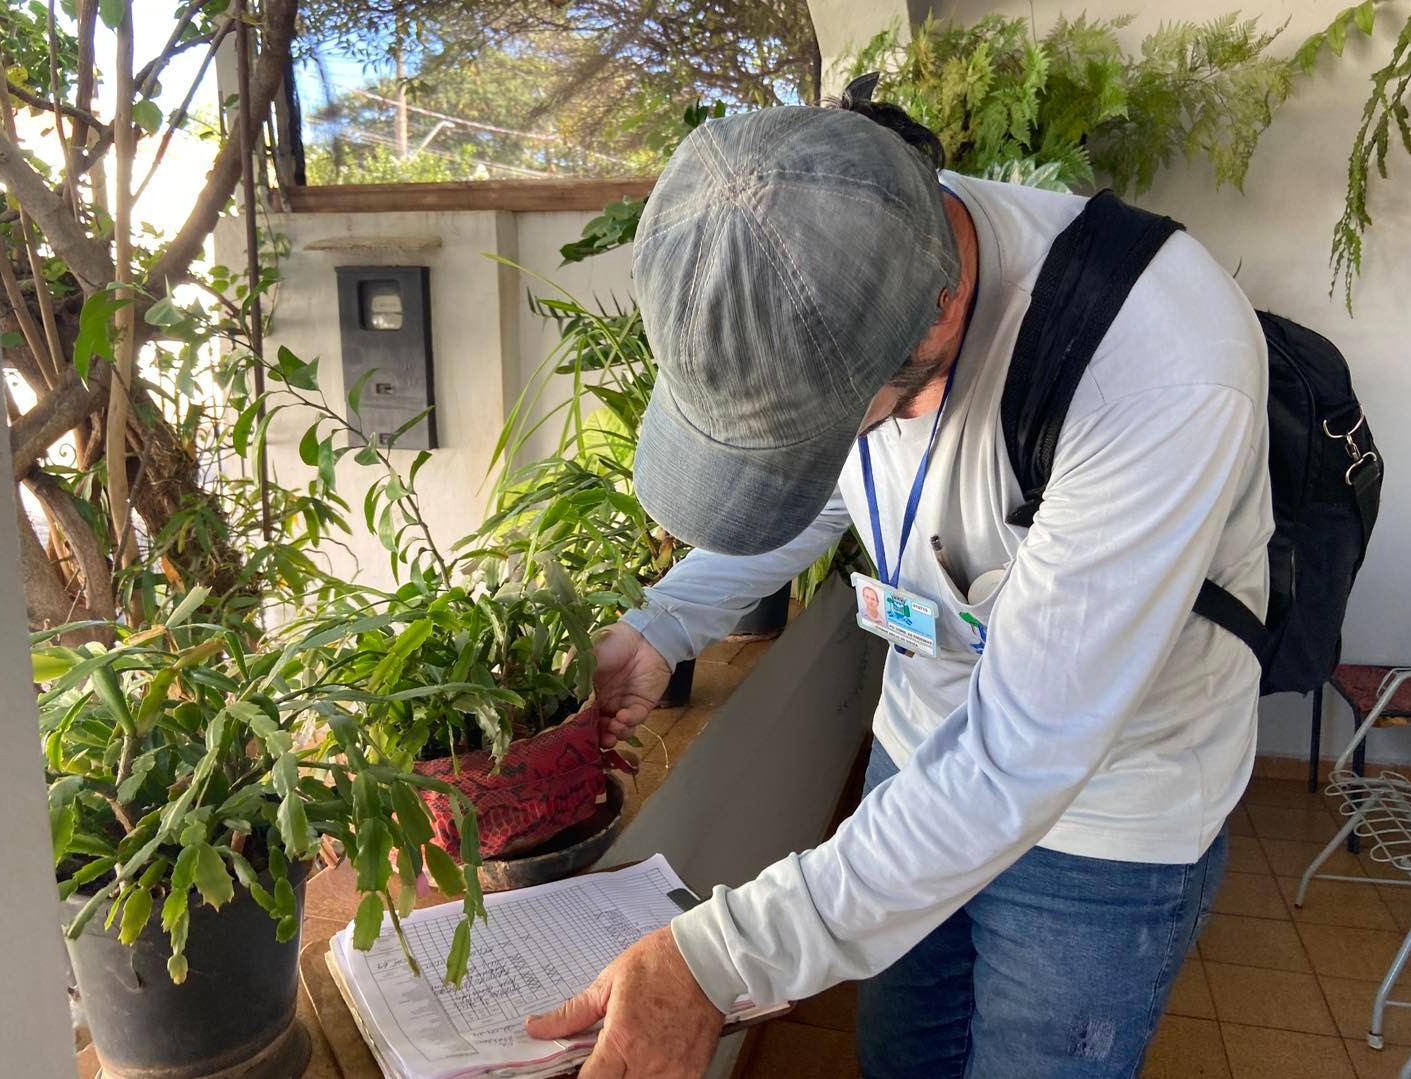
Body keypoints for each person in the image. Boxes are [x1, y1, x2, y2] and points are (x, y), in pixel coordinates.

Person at [524, 94, 1271, 1078]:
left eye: (842, 420)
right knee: (903, 1055)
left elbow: (1024, 752)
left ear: (940, 317)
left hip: (1108, 806)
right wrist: (663, 623)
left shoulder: (1154, 362)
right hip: (920, 755)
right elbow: (825, 492)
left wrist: (717, 958)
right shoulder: (840, 264)